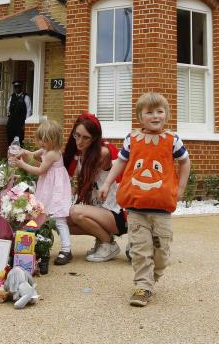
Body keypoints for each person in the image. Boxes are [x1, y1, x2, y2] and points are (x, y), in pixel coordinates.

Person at [99, 92, 190, 307]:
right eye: (149, 112)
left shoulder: (173, 140)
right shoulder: (132, 140)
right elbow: (120, 163)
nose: (155, 116)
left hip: (162, 209)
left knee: (161, 253)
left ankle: (151, 276)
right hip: (136, 207)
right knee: (140, 249)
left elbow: (185, 163)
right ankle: (143, 285)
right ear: (140, 116)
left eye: (160, 111)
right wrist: (106, 183)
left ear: (166, 114)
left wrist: (181, 188)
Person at [64, 112, 126, 263]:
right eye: (77, 135)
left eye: (85, 138)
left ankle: (108, 244)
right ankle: (102, 239)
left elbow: (84, 176)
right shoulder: (81, 156)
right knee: (62, 220)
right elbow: (74, 182)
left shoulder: (102, 154)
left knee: (76, 212)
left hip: (116, 214)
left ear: (95, 139)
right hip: (100, 211)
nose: (79, 141)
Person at [12, 119, 72, 266]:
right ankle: (38, 245)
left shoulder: (52, 153)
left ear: (54, 140)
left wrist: (22, 164)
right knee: (41, 215)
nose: (42, 143)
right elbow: (32, 154)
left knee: (59, 218)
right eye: (41, 140)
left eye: (46, 140)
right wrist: (22, 152)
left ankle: (66, 249)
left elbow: (40, 170)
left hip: (56, 190)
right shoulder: (46, 150)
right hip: (48, 187)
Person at [6, 80, 31, 145]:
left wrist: (26, 122)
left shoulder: (26, 97)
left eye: (18, 87)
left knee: (19, 140)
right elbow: (8, 107)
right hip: (12, 122)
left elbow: (29, 110)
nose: (17, 89)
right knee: (10, 139)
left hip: (21, 122)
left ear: (21, 87)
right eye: (15, 87)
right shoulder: (12, 96)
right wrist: (8, 117)